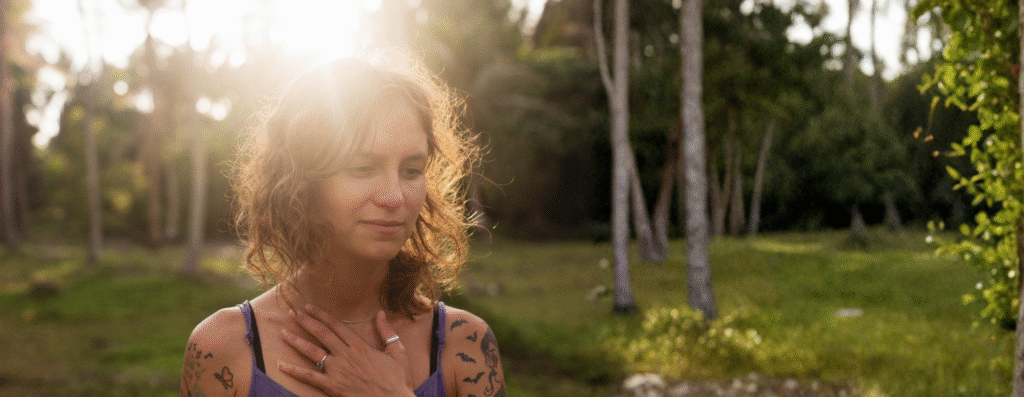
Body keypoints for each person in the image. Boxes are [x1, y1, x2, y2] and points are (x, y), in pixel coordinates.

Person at [180, 51, 506, 397]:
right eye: (362, 168)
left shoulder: (465, 344)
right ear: (301, 182)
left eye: (411, 170)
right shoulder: (224, 348)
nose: (394, 196)